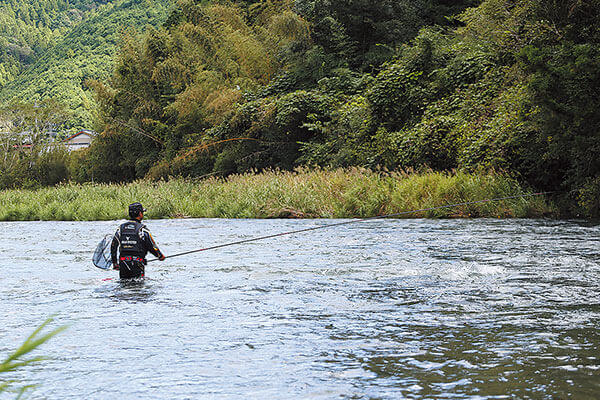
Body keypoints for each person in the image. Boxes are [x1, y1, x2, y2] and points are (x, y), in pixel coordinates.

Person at [110, 202, 165, 279]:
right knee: (138, 286)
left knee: (124, 285)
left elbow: (113, 245)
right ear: (140, 213)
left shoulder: (121, 229)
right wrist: (160, 255)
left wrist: (115, 263)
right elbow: (152, 246)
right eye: (142, 212)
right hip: (137, 263)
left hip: (123, 263)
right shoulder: (142, 230)